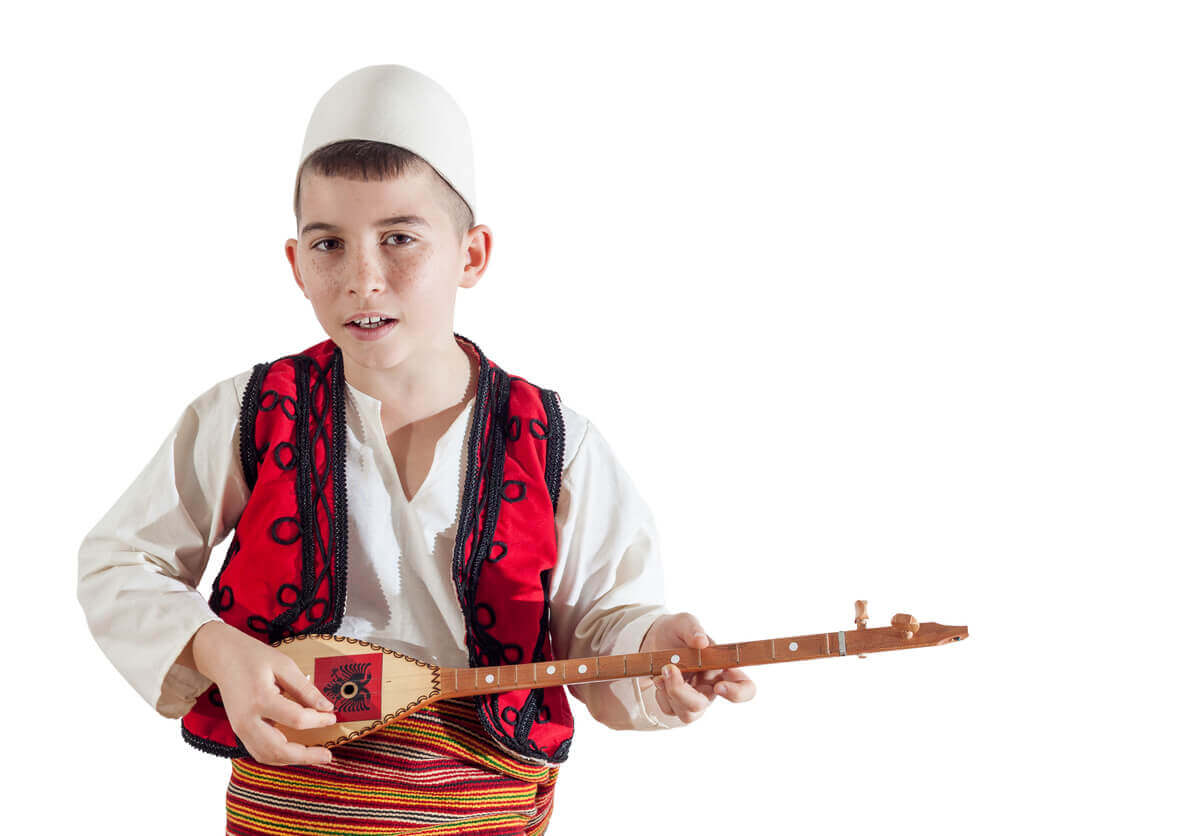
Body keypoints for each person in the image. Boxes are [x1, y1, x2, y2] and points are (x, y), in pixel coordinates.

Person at [76, 64, 755, 835]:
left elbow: (600, 621)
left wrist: (653, 650)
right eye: (329, 244)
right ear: (297, 265)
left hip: (485, 802)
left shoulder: (554, 441)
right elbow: (118, 563)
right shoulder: (248, 415)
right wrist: (217, 651)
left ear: (471, 254)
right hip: (297, 801)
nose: (363, 279)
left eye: (400, 238)